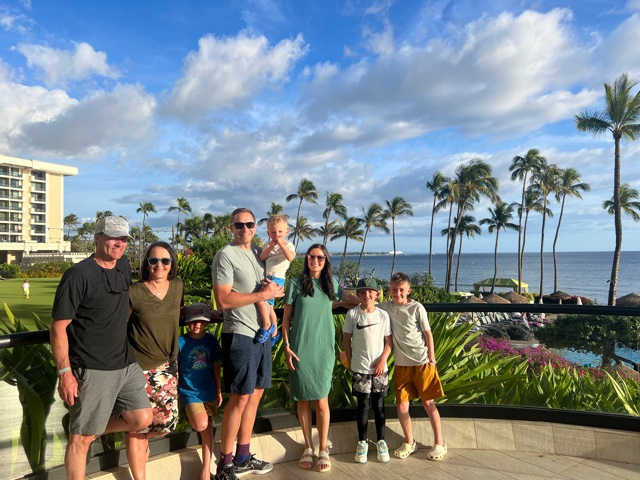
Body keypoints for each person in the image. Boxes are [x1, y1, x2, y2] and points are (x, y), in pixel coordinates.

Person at [50, 215, 153, 480]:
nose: (119, 244)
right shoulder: (78, 276)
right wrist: (65, 373)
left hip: (125, 363)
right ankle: (82, 434)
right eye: (112, 237)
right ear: (97, 238)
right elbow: (58, 327)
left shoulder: (122, 268)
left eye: (123, 239)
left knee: (142, 418)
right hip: (92, 367)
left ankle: (86, 429)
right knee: (81, 440)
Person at [212, 207, 284, 480]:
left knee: (255, 395)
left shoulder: (257, 255)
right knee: (240, 397)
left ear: (256, 227)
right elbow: (224, 300)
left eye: (249, 224)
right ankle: (225, 463)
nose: (244, 229)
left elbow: (266, 293)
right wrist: (262, 294)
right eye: (238, 225)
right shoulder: (226, 255)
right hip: (239, 332)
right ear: (231, 227)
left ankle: (243, 456)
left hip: (260, 334)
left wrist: (272, 311)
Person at [282, 244, 351, 473]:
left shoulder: (330, 284)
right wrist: (287, 346)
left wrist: (369, 300)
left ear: (326, 261)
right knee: (303, 399)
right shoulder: (295, 283)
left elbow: (347, 299)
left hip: (323, 349)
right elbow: (286, 318)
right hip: (300, 347)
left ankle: (323, 448)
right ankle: (308, 447)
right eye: (312, 256)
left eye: (320, 257)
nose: (316, 260)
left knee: (321, 400)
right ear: (307, 259)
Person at [125, 241, 184, 480]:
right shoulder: (135, 292)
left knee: (168, 421)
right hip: (139, 368)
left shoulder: (177, 287)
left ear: (171, 265)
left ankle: (143, 440)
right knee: (137, 427)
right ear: (146, 264)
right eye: (153, 261)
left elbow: (175, 314)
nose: (159, 265)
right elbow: (120, 326)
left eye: (165, 261)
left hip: (168, 366)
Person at [378, 272, 447, 461]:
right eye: (394, 289)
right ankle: (410, 442)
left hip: (422, 362)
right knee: (401, 405)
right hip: (401, 365)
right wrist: (341, 302)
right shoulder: (386, 307)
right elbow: (365, 304)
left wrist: (432, 358)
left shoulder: (417, 308)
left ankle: (440, 443)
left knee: (428, 403)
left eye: (401, 290)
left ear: (408, 290)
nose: (397, 293)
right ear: (389, 290)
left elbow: (428, 333)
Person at [342, 277, 393, 464]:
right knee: (363, 406)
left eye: (371, 292)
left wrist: (382, 361)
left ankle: (381, 442)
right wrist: (350, 361)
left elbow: (389, 343)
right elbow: (346, 340)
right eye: (363, 292)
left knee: (379, 406)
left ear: (377, 294)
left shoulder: (383, 315)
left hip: (380, 370)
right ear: (358, 295)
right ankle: (362, 443)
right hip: (360, 368)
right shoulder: (353, 315)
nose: (367, 295)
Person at [178, 303, 223, 480]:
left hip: (209, 390)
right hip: (189, 392)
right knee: (201, 424)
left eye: (201, 321)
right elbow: (176, 369)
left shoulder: (211, 341)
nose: (197, 325)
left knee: (207, 430)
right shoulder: (181, 341)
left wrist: (219, 390)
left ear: (207, 322)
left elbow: (216, 367)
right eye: (193, 321)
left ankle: (205, 471)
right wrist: (176, 393)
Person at [255, 214, 296, 343]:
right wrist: (272, 246)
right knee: (270, 307)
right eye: (273, 232)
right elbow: (262, 258)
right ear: (268, 233)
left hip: (277, 279)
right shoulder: (268, 245)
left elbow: (290, 257)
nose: (276, 234)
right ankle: (274, 333)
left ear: (286, 232)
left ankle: (267, 325)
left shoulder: (289, 245)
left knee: (260, 298)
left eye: (280, 231)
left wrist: (281, 245)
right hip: (268, 278)